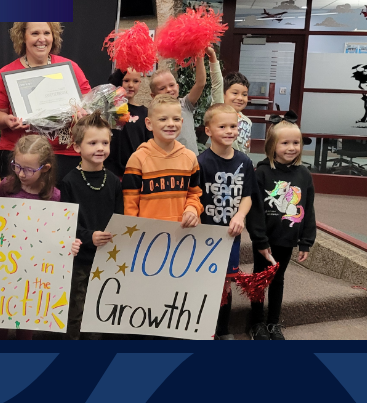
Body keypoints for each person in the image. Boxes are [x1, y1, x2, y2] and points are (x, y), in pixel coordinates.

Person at [0, 22, 92, 182]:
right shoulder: (6, 74)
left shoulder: (70, 69)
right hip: (20, 156)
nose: (42, 39)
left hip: (65, 154)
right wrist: (6, 120)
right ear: (22, 37)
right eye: (35, 34)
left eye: (47, 33)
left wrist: (83, 114)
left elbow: (88, 105)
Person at [247, 112, 315, 340]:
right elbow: (254, 211)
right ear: (272, 146)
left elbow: (308, 209)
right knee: (259, 279)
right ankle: (256, 322)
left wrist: (306, 241)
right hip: (264, 241)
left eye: (296, 142)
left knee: (278, 279)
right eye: (284, 143)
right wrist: (259, 240)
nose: (291, 147)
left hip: (287, 239)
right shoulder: (262, 173)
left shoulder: (304, 175)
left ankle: (273, 323)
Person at [0, 134, 64, 340]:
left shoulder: (54, 195)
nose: (21, 173)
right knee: (1, 308)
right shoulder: (6, 186)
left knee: (27, 309)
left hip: (33, 262)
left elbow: (57, 229)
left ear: (45, 168)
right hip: (5, 258)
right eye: (17, 166)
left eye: (29, 169)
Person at [58, 112, 122, 340]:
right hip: (80, 258)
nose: (100, 148)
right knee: (76, 310)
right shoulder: (68, 182)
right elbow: (65, 224)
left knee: (100, 309)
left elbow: (120, 218)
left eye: (105, 143)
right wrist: (88, 237)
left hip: (107, 258)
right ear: (77, 147)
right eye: (92, 142)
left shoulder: (113, 181)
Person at [196, 104, 257, 340]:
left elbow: (247, 196)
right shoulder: (200, 162)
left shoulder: (245, 162)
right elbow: (194, 197)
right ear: (208, 130)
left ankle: (222, 330)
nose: (229, 130)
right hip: (204, 236)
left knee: (225, 285)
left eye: (233, 126)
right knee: (204, 282)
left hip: (229, 236)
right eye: (222, 126)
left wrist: (241, 215)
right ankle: (202, 329)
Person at [122, 94, 203, 226]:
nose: (170, 124)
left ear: (182, 122)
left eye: (176, 119)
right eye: (163, 119)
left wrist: (192, 209)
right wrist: (132, 233)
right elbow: (129, 203)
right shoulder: (137, 159)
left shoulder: (190, 158)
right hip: (147, 235)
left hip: (181, 234)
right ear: (149, 124)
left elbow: (195, 194)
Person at [147, 48, 210, 153]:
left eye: (171, 85)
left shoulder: (185, 104)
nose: (169, 90)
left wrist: (199, 57)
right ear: (153, 95)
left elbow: (200, 83)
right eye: (162, 88)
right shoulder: (153, 112)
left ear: (177, 86)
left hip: (191, 163)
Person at [106, 68, 152, 177]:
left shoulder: (145, 112)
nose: (131, 85)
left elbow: (149, 142)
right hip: (111, 172)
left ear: (140, 82)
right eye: (126, 81)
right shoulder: (110, 109)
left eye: (135, 81)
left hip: (136, 171)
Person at [206, 48, 252, 153]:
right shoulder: (220, 110)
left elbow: (246, 148)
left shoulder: (247, 121)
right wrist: (212, 56)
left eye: (244, 94)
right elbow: (217, 82)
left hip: (241, 164)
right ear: (223, 95)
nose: (240, 98)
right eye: (235, 93)